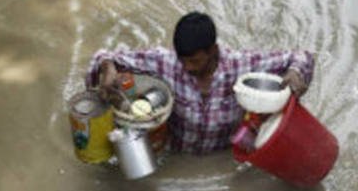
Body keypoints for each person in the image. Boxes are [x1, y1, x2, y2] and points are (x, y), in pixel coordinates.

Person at [87, 12, 315, 154]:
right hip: (176, 152)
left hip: (224, 152)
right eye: (182, 60)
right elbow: (104, 55)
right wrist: (107, 68)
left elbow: (302, 56)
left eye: (195, 61)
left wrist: (296, 73)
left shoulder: (241, 65)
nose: (187, 68)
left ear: (213, 51)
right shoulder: (166, 63)